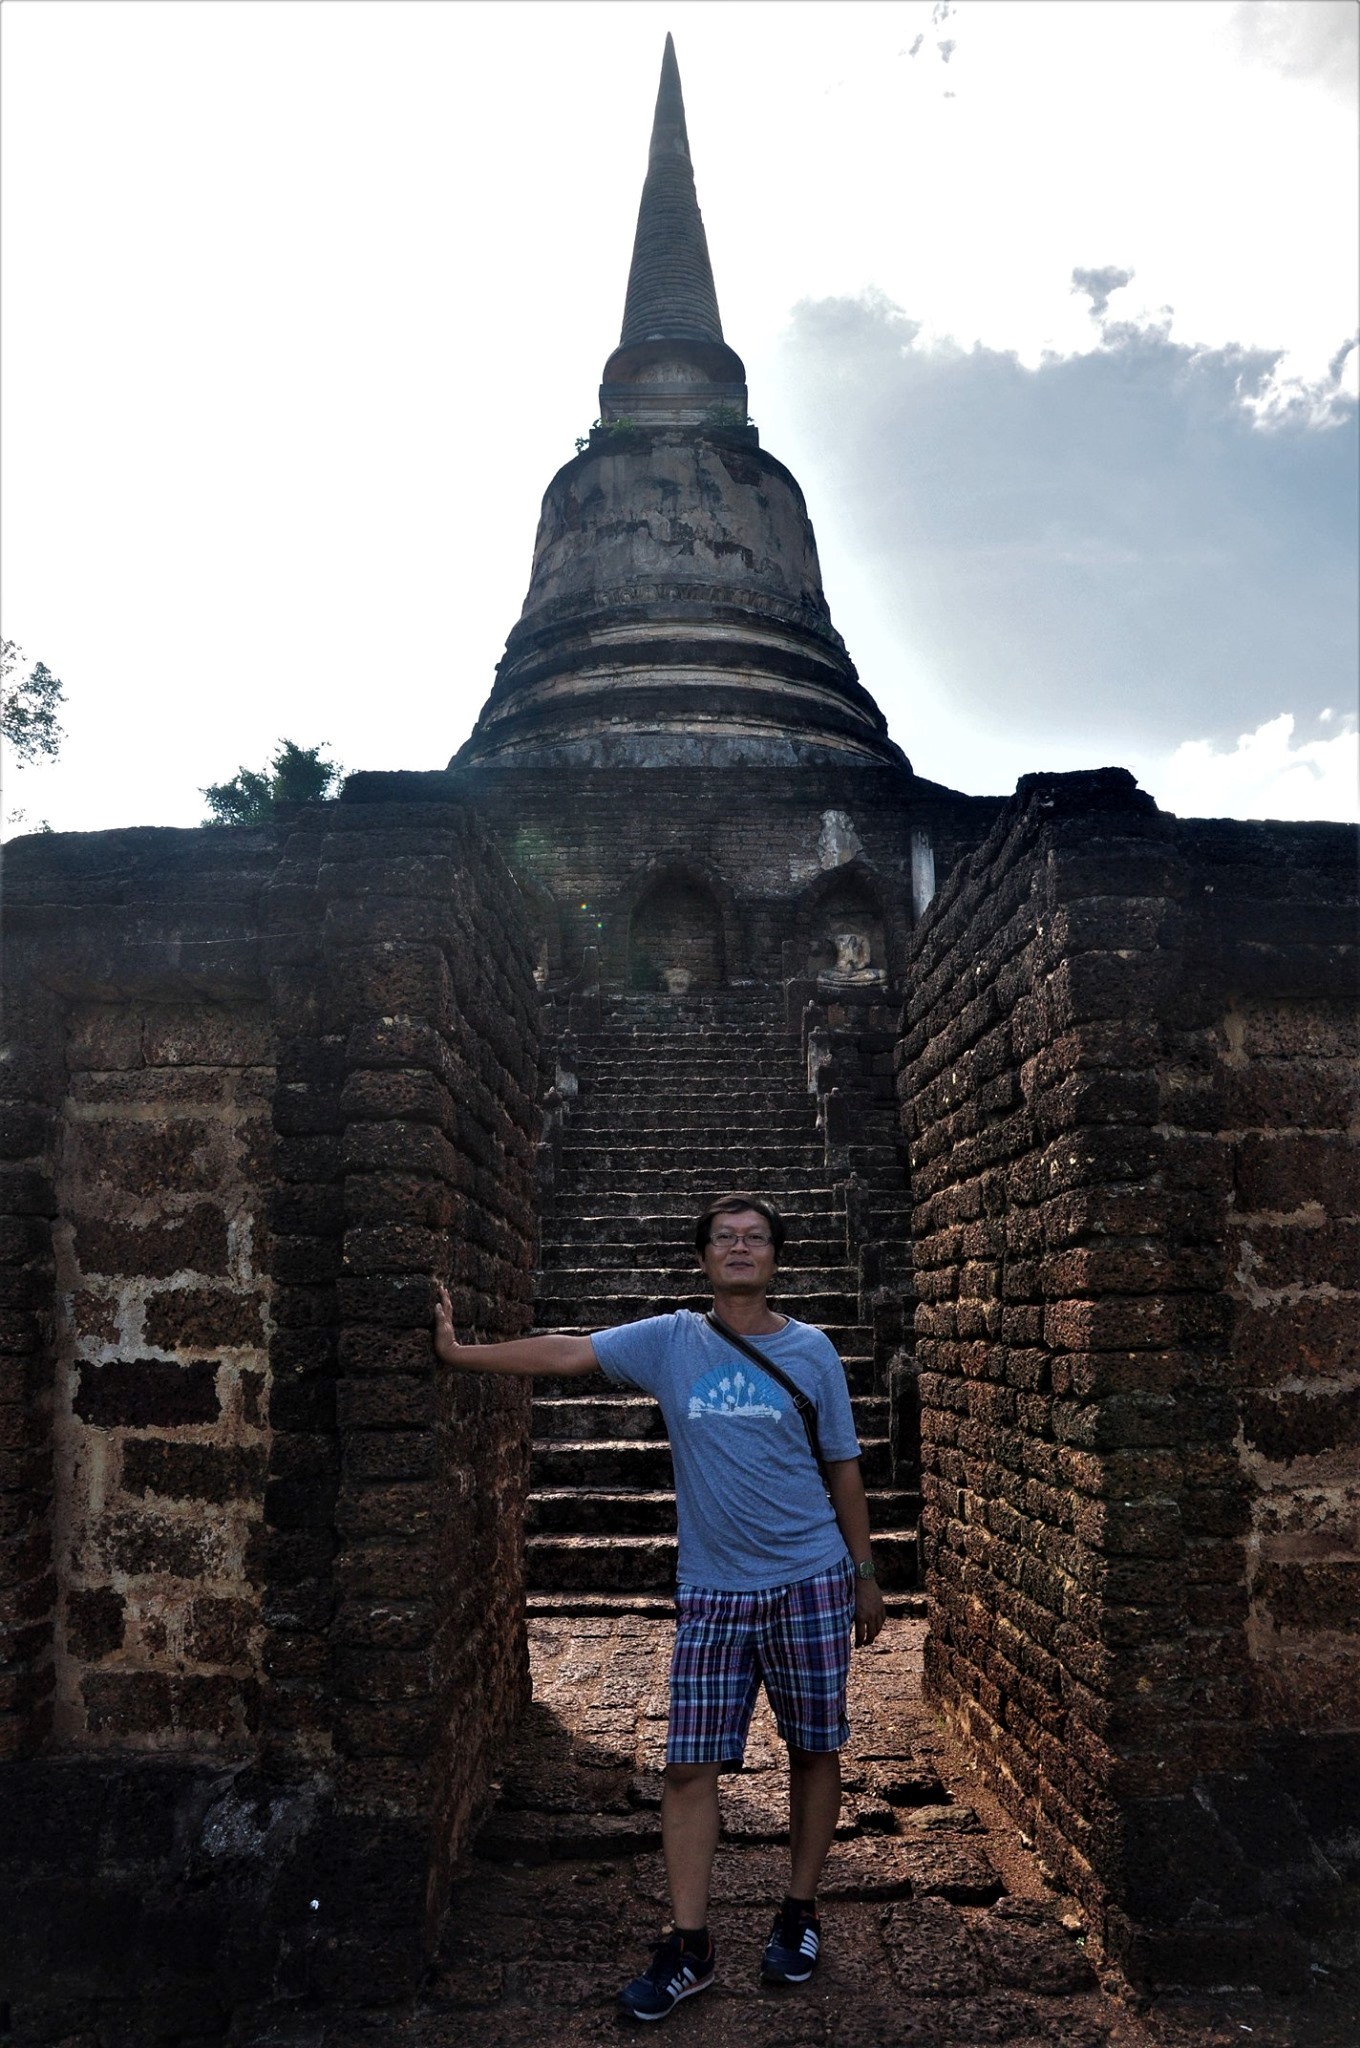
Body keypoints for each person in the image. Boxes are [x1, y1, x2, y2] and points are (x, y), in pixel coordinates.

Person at [433, 1190, 885, 2023]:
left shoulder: (813, 1351)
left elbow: (844, 1468)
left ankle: (799, 1909)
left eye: (755, 1237)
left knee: (814, 1748)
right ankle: (689, 1942)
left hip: (812, 1578)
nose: (740, 1247)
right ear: (705, 1258)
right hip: (714, 1589)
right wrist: (462, 1355)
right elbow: (570, 1354)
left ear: (775, 1257)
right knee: (687, 1765)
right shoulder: (672, 1341)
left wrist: (864, 1573)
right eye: (725, 1237)